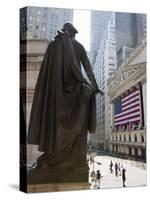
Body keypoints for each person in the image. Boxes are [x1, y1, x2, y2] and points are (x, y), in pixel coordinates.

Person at [27, 22, 104, 184]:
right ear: (73, 33)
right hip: (75, 93)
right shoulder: (78, 46)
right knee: (85, 99)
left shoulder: (54, 45)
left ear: (64, 31)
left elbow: (46, 75)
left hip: (55, 96)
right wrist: (95, 88)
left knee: (55, 123)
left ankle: (54, 158)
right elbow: (88, 70)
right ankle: (71, 162)